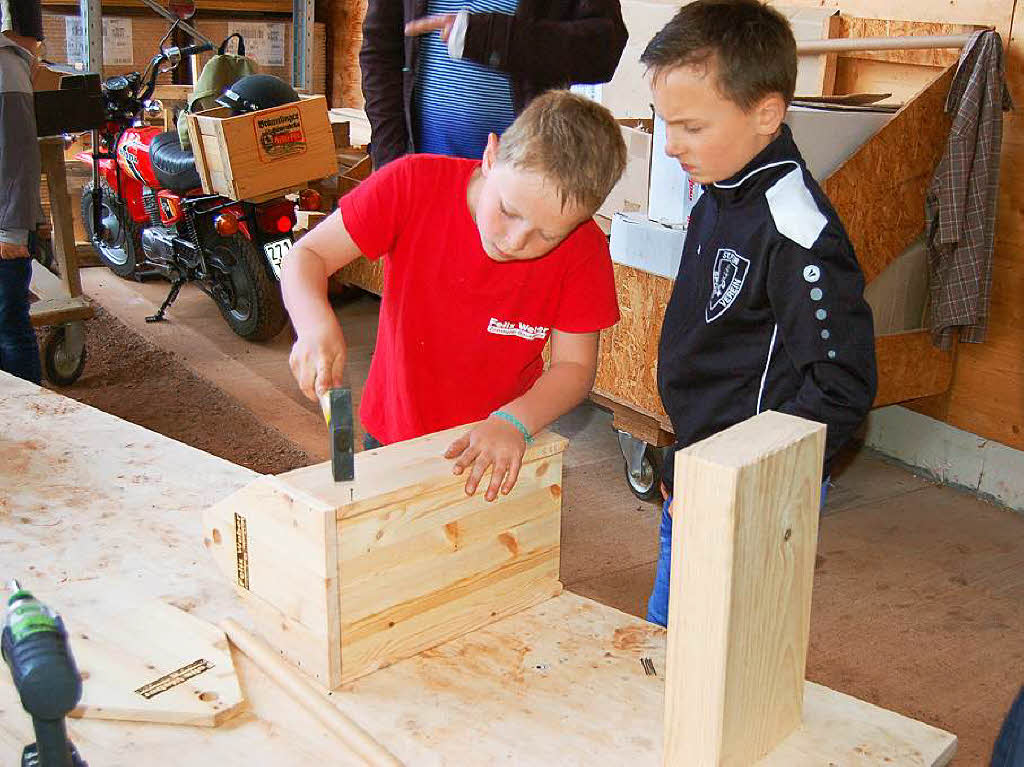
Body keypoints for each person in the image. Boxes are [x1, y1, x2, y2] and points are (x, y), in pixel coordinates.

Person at [644, 0, 877, 626]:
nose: (671, 147)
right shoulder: (722, 187)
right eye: (665, 124)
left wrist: (733, 477)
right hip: (700, 461)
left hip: (751, 484)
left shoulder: (796, 229)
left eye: (691, 127)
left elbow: (840, 386)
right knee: (668, 637)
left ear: (765, 112)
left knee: (719, 648)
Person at [282, 90, 625, 500]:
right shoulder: (412, 183)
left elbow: (574, 366)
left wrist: (515, 422)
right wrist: (314, 325)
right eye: (510, 211)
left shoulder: (584, 249)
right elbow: (308, 254)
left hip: (500, 445)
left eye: (547, 235)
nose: (515, 241)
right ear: (491, 155)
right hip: (394, 434)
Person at [360, 0, 627, 168]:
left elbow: (603, 50)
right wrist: (390, 162)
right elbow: (380, 51)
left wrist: (487, 38)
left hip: (522, 185)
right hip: (418, 177)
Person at [0, 0, 44, 384]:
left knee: (8, 323)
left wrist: (13, 232)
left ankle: (34, 419)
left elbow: (19, 155)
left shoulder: (6, 66)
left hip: (4, 225)